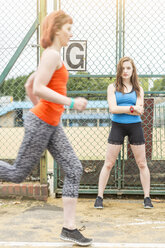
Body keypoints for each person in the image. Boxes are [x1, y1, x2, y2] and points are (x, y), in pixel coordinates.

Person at [0, 10, 92, 246]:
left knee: (73, 168)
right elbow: (39, 86)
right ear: (56, 29)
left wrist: (46, 111)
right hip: (42, 123)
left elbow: (29, 84)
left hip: (50, 123)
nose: (71, 33)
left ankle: (69, 229)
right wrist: (70, 102)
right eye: (69, 29)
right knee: (17, 174)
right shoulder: (51, 55)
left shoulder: (53, 57)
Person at [94, 57, 153, 209]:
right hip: (117, 126)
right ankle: (99, 197)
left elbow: (140, 110)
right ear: (119, 71)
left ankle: (147, 198)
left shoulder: (139, 89)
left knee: (142, 163)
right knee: (109, 163)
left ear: (133, 70)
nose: (125, 71)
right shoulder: (112, 87)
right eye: (123, 68)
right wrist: (131, 108)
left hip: (135, 127)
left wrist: (130, 109)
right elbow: (113, 109)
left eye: (128, 68)